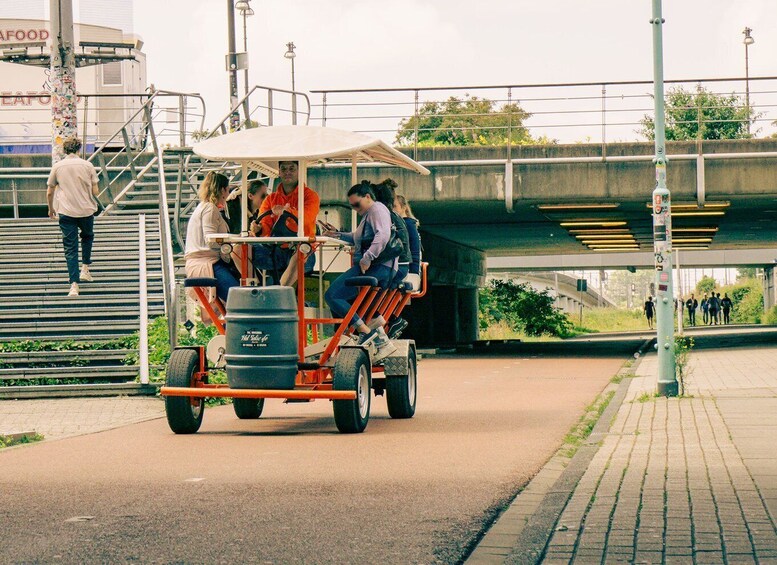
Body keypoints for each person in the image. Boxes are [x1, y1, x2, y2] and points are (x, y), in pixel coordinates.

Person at [324, 181, 398, 359]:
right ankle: (371, 333)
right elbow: (357, 238)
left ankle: (366, 332)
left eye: (357, 204)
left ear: (368, 197)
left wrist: (367, 258)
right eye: (352, 206)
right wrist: (337, 234)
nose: (355, 208)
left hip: (376, 266)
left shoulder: (376, 210)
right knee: (347, 304)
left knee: (333, 295)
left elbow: (383, 235)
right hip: (376, 267)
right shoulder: (368, 214)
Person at [46, 136, 99, 297]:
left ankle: (74, 286)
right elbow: (95, 192)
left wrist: (51, 209)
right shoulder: (88, 165)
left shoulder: (58, 166)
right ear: (78, 149)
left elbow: (50, 191)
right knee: (87, 237)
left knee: (70, 247)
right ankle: (85, 269)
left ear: (65, 150)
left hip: (66, 211)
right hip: (86, 210)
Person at [253, 161, 320, 285]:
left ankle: (278, 296)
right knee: (239, 249)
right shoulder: (270, 199)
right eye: (284, 169)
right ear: (279, 172)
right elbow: (265, 226)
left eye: (291, 168)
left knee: (301, 253)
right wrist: (258, 229)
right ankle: (253, 286)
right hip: (274, 251)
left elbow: (306, 218)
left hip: (301, 249)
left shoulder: (310, 196)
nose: (287, 172)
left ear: (299, 171)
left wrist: (286, 212)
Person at [184, 172, 239, 314]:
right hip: (207, 263)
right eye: (227, 190)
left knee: (234, 300)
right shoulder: (210, 208)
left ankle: (231, 330)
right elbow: (211, 239)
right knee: (239, 298)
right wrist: (229, 245)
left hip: (201, 262)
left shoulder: (202, 207)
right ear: (222, 190)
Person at [372, 179, 411, 286]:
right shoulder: (396, 217)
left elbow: (381, 238)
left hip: (392, 266)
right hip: (402, 266)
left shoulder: (384, 216)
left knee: (343, 289)